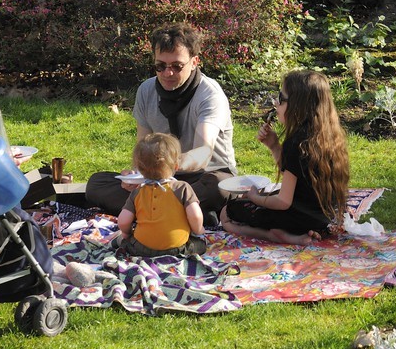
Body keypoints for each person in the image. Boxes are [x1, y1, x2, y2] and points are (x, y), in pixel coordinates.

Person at [84, 24, 236, 219]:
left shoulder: (209, 95)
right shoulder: (146, 91)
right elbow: (144, 146)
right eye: (160, 66)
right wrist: (137, 174)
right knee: (96, 183)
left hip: (204, 175)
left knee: (219, 188)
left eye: (177, 66)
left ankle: (148, 209)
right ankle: (185, 212)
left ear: (194, 62)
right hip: (160, 178)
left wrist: (168, 165)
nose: (167, 73)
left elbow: (203, 153)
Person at [220, 69, 349, 246]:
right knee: (266, 196)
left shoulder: (296, 143)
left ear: (297, 105)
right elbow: (297, 176)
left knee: (227, 213)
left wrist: (254, 197)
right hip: (325, 218)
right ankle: (299, 232)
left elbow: (283, 202)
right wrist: (274, 145)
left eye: (281, 98)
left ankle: (277, 236)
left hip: (298, 219)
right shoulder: (329, 137)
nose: (276, 104)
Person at [115, 132, 207, 258]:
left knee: (126, 242)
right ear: (176, 166)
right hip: (177, 249)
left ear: (140, 169)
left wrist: (126, 234)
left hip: (141, 248)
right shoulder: (182, 188)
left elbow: (123, 221)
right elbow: (195, 216)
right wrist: (199, 230)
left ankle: (118, 242)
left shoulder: (138, 191)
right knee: (200, 245)